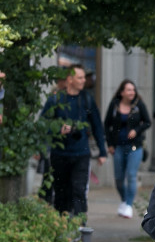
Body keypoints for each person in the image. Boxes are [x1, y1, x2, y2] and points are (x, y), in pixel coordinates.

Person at [40, 64, 107, 216]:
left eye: (84, 77)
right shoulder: (56, 99)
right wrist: (57, 129)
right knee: (61, 193)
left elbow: (97, 126)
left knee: (79, 191)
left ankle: (80, 226)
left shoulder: (87, 99)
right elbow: (43, 124)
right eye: (80, 77)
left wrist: (102, 151)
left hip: (81, 153)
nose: (84, 80)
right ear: (70, 79)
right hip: (59, 154)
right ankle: (61, 224)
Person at [104, 79, 152, 218]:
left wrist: (136, 130)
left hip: (135, 146)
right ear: (122, 92)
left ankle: (129, 205)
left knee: (131, 175)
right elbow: (107, 124)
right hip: (118, 146)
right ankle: (125, 200)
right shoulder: (114, 105)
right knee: (119, 178)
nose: (132, 92)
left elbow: (148, 122)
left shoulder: (138, 105)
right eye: (129, 90)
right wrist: (110, 144)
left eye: (133, 89)